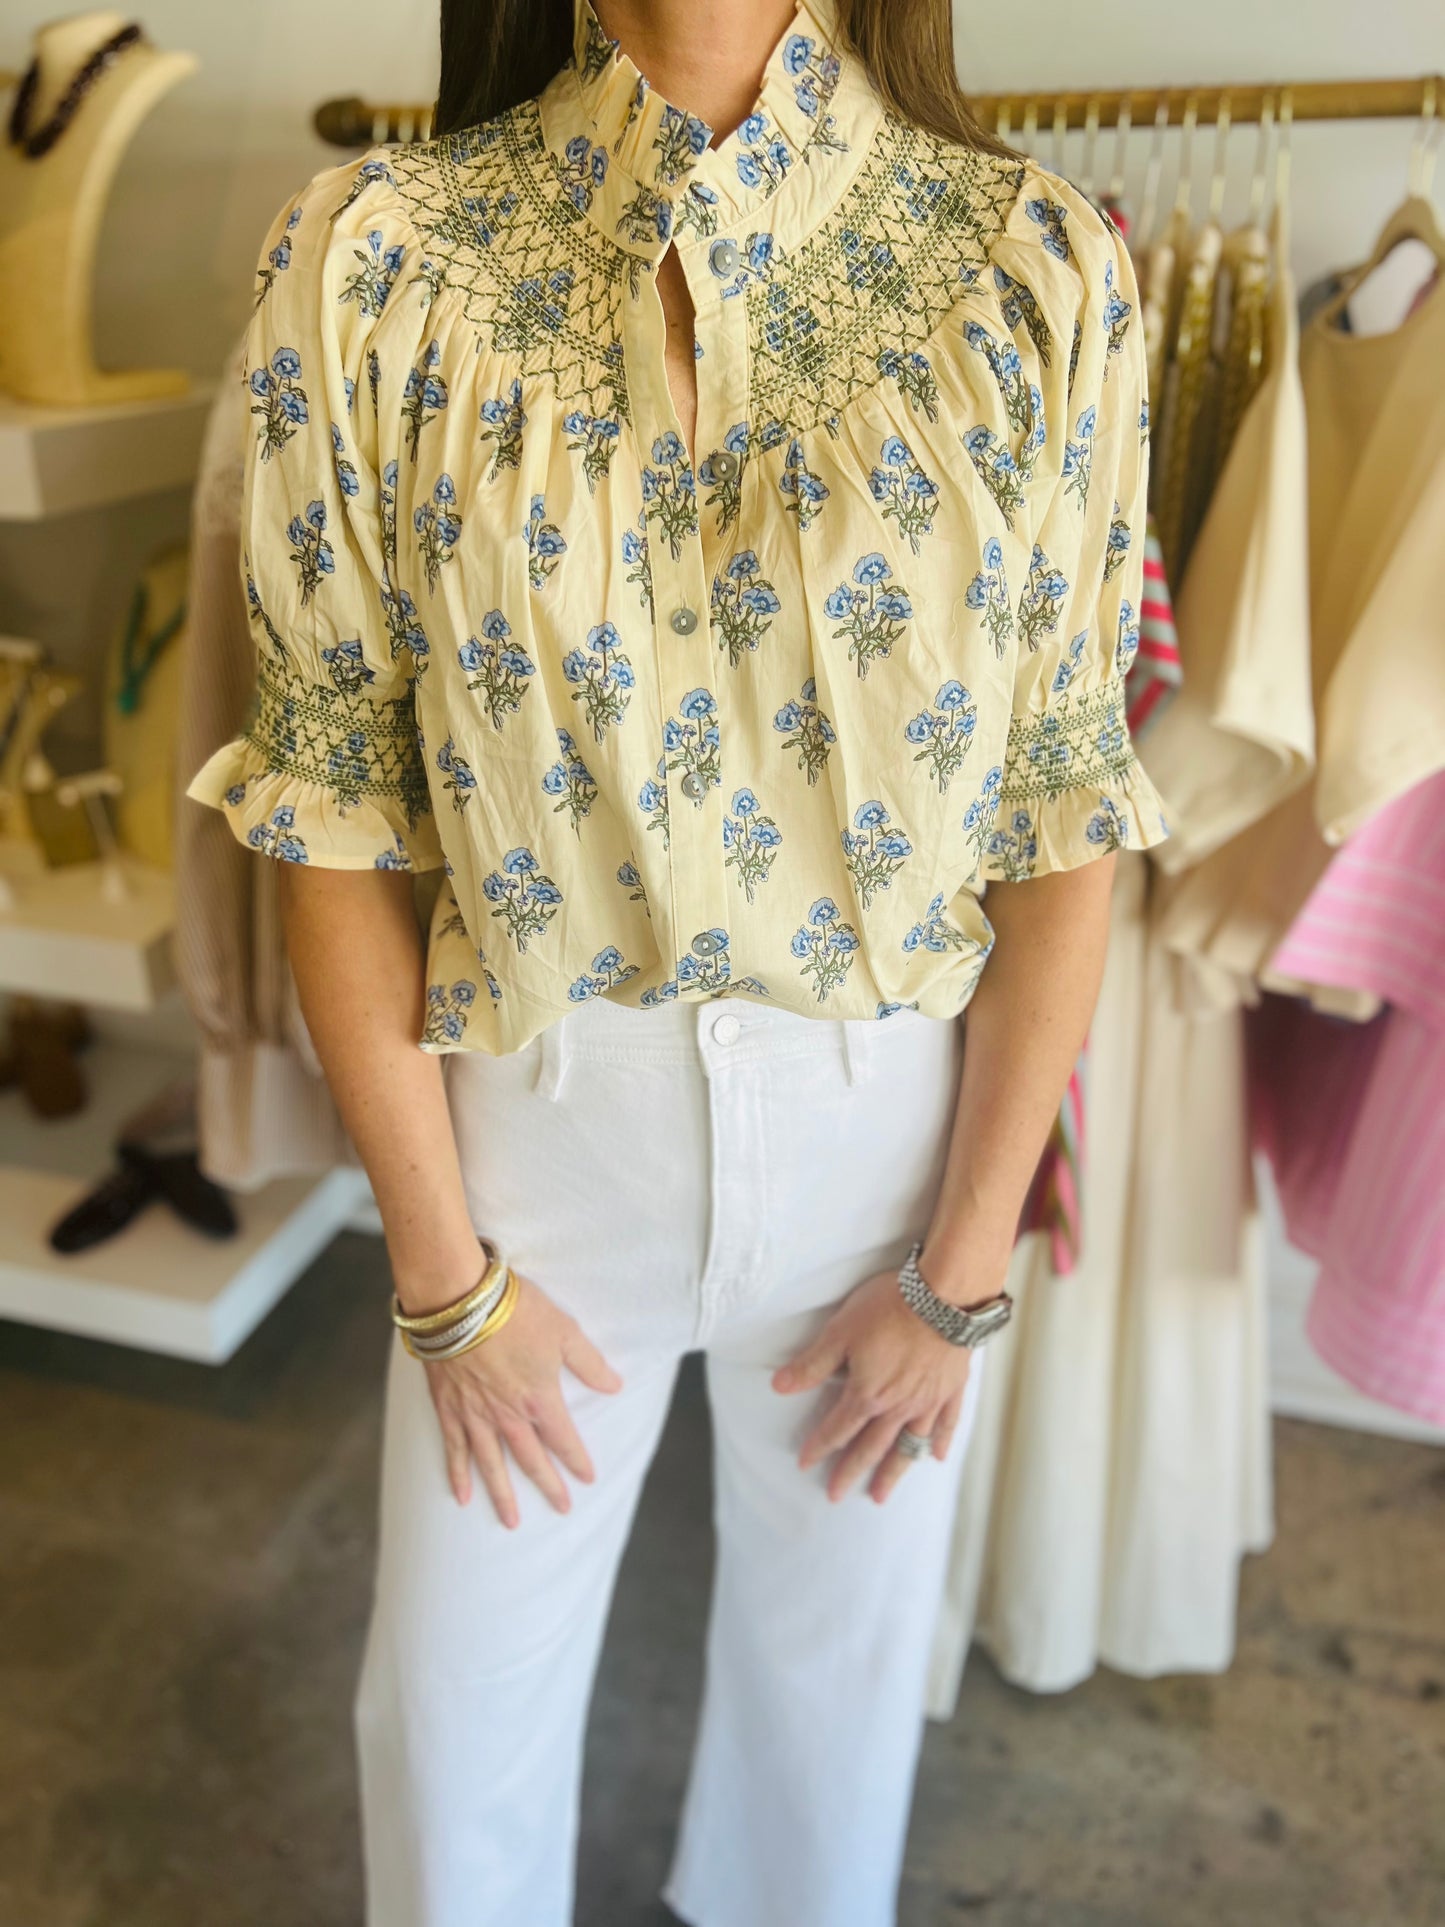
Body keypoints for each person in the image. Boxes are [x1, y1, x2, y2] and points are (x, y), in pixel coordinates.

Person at [187, 1, 1166, 1920]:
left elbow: (1063, 816)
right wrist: (445, 1277)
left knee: (834, 1728)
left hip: (890, 1145)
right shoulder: (373, 258)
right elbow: (337, 817)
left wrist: (960, 1277)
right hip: (536, 1154)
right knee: (451, 1734)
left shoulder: (1041, 268)